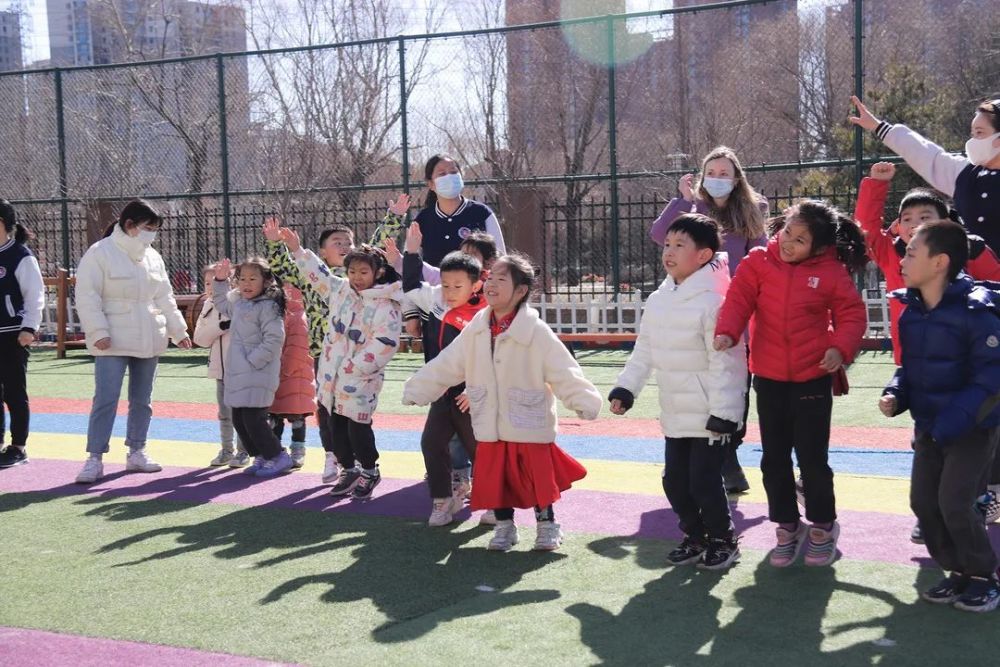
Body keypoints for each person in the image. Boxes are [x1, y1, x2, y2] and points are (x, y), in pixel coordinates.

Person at [403, 252, 602, 552]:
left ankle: (547, 524)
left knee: (536, 476)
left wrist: (583, 399)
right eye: (490, 277)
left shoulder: (535, 331)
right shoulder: (478, 328)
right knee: (497, 477)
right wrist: (419, 387)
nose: (491, 283)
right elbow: (449, 362)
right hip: (490, 419)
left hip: (528, 418)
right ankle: (505, 526)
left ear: (520, 291)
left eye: (501, 278)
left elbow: (563, 371)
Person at [714, 200, 868, 567]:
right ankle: (786, 525)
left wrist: (839, 348)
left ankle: (822, 525)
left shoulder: (830, 271)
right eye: (787, 233)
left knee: (813, 460)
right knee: (774, 459)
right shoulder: (757, 262)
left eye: (800, 240)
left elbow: (851, 315)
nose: (789, 243)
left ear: (818, 248)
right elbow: (738, 300)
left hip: (812, 376)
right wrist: (727, 331)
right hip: (768, 377)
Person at [610, 214, 747, 570]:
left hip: (709, 414)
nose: (668, 251)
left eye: (679, 245)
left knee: (704, 482)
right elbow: (645, 350)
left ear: (703, 256)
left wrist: (726, 414)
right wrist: (626, 388)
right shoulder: (659, 299)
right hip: (675, 411)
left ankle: (723, 539)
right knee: (675, 481)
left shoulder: (715, 302)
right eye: (667, 244)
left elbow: (727, 364)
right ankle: (696, 535)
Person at [880, 220, 1000, 612]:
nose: (903, 258)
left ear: (940, 262)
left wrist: (951, 421)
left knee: (955, 501)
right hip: (930, 427)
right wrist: (896, 393)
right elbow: (911, 367)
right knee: (924, 502)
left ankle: (984, 575)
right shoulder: (912, 310)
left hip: (972, 429)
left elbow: (990, 378)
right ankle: (956, 571)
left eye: (912, 251)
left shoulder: (976, 310)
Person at [649, 146, 768, 494]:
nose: (717, 180)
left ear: (736, 178)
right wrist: (684, 201)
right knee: (701, 385)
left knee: (735, 388)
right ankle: (716, 462)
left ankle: (729, 452)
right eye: (711, 173)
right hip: (693, 310)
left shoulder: (752, 210)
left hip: (736, 311)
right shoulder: (692, 207)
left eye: (724, 173)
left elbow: (757, 256)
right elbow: (661, 236)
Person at [74, 200, 191, 485]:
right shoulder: (99, 253)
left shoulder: (153, 257)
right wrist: (98, 331)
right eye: (148, 228)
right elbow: (87, 296)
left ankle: (137, 450)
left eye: (154, 229)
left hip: (149, 335)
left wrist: (179, 330)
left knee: (142, 400)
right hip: (112, 339)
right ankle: (94, 457)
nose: (152, 234)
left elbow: (164, 296)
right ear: (129, 225)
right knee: (106, 398)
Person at [284, 226, 402, 500]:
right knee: (334, 426)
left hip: (360, 379)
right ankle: (348, 469)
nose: (357, 278)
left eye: (364, 273)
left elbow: (385, 342)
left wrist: (357, 367)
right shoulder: (340, 291)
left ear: (378, 273)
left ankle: (370, 470)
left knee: (357, 428)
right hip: (331, 376)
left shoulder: (386, 304)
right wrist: (297, 250)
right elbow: (317, 275)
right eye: (352, 272)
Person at [857, 161, 1000, 367]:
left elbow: (996, 293)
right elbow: (866, 228)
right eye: (907, 219)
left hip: (965, 356)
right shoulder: (890, 253)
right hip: (912, 356)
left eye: (925, 217)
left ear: (946, 222)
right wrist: (876, 184)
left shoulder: (971, 250)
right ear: (898, 226)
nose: (914, 223)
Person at [400, 222, 488, 526]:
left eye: (458, 286)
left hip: (471, 395)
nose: (450, 293)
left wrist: (474, 389)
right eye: (446, 285)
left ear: (476, 286)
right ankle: (441, 500)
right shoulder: (436, 299)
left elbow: (491, 357)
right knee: (431, 444)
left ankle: (493, 504)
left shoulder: (485, 313)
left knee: (481, 449)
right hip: (442, 392)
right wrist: (411, 250)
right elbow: (411, 285)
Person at [849, 95, 1000, 253]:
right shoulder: (966, 174)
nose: (972, 141)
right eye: (972, 134)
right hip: (975, 273)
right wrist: (878, 126)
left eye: (980, 133)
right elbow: (924, 153)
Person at [264, 219, 353, 484]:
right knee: (326, 408)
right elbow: (281, 267)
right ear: (322, 252)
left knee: (352, 408)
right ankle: (331, 455)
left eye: (348, 242)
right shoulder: (309, 274)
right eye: (337, 242)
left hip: (353, 355)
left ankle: (356, 459)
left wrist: (393, 218)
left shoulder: (359, 275)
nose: (345, 246)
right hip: (322, 354)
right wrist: (274, 243)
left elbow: (380, 245)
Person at [210, 257, 291, 477]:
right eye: (242, 278)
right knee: (239, 418)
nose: (246, 283)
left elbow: (274, 340)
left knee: (254, 419)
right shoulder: (239, 303)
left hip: (257, 372)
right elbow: (220, 302)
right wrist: (219, 279)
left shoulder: (269, 307)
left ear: (265, 282)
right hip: (239, 373)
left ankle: (278, 456)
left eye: (252, 278)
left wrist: (252, 361)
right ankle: (262, 455)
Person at [0, 199, 45, 469]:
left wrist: (29, 327)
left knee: (14, 392)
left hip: (13, 335)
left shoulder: (20, 255)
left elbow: (35, 295)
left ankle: (18, 446)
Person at [192, 263, 249, 467]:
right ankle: (226, 449)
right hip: (221, 370)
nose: (211, 286)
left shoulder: (240, 302)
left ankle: (244, 451)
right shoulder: (208, 306)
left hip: (242, 370)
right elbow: (200, 338)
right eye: (208, 282)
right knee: (225, 414)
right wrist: (220, 327)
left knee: (242, 413)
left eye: (218, 280)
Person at [267, 283, 317, 469]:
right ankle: (277, 449)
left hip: (294, 376)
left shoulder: (296, 317)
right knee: (276, 416)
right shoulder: (284, 315)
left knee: (296, 417)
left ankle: (297, 449)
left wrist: (283, 369)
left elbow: (298, 348)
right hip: (282, 374)